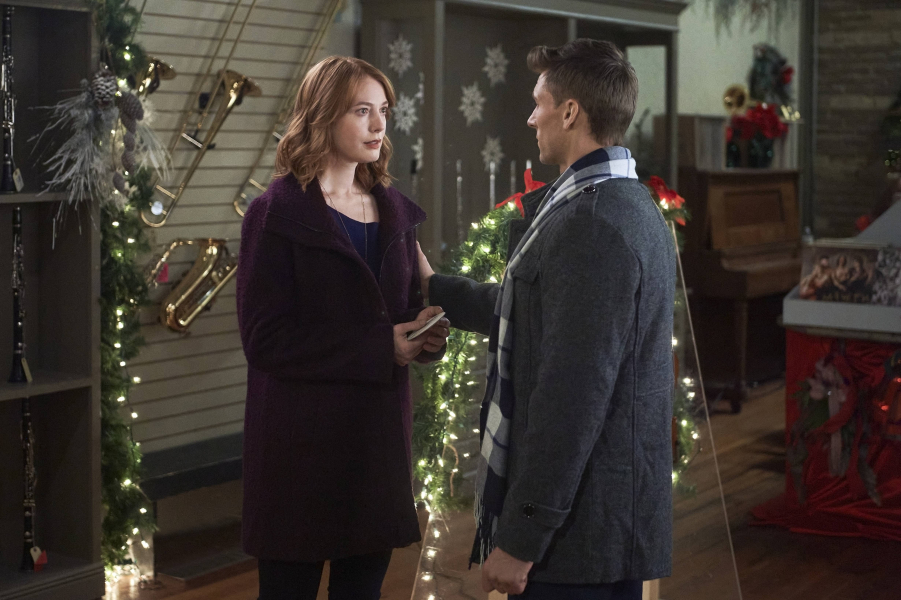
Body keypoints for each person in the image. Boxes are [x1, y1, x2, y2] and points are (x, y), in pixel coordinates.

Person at [417, 39, 676, 599]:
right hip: (594, 526)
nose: (531, 118)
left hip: (582, 538)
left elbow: (572, 398)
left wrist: (521, 539)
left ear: (570, 111)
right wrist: (435, 289)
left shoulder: (593, 222)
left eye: (539, 103)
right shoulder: (619, 200)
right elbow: (537, 314)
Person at [236, 56, 450, 600]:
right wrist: (382, 347)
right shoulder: (274, 213)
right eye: (361, 111)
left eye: (383, 111)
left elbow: (404, 313)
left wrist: (425, 337)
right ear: (323, 115)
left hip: (373, 448)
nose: (379, 126)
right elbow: (264, 340)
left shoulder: (395, 212)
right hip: (298, 450)